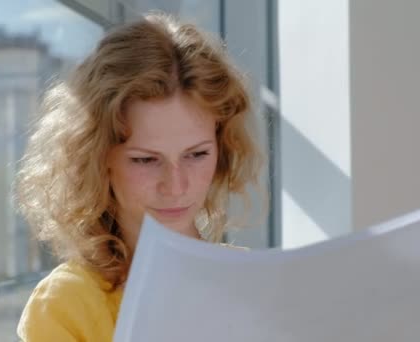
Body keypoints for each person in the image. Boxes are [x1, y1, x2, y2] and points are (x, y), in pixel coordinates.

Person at [14, 12, 263, 341]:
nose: (176, 186)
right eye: (146, 160)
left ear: (222, 150)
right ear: (98, 159)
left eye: (197, 154)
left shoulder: (254, 280)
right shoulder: (67, 304)